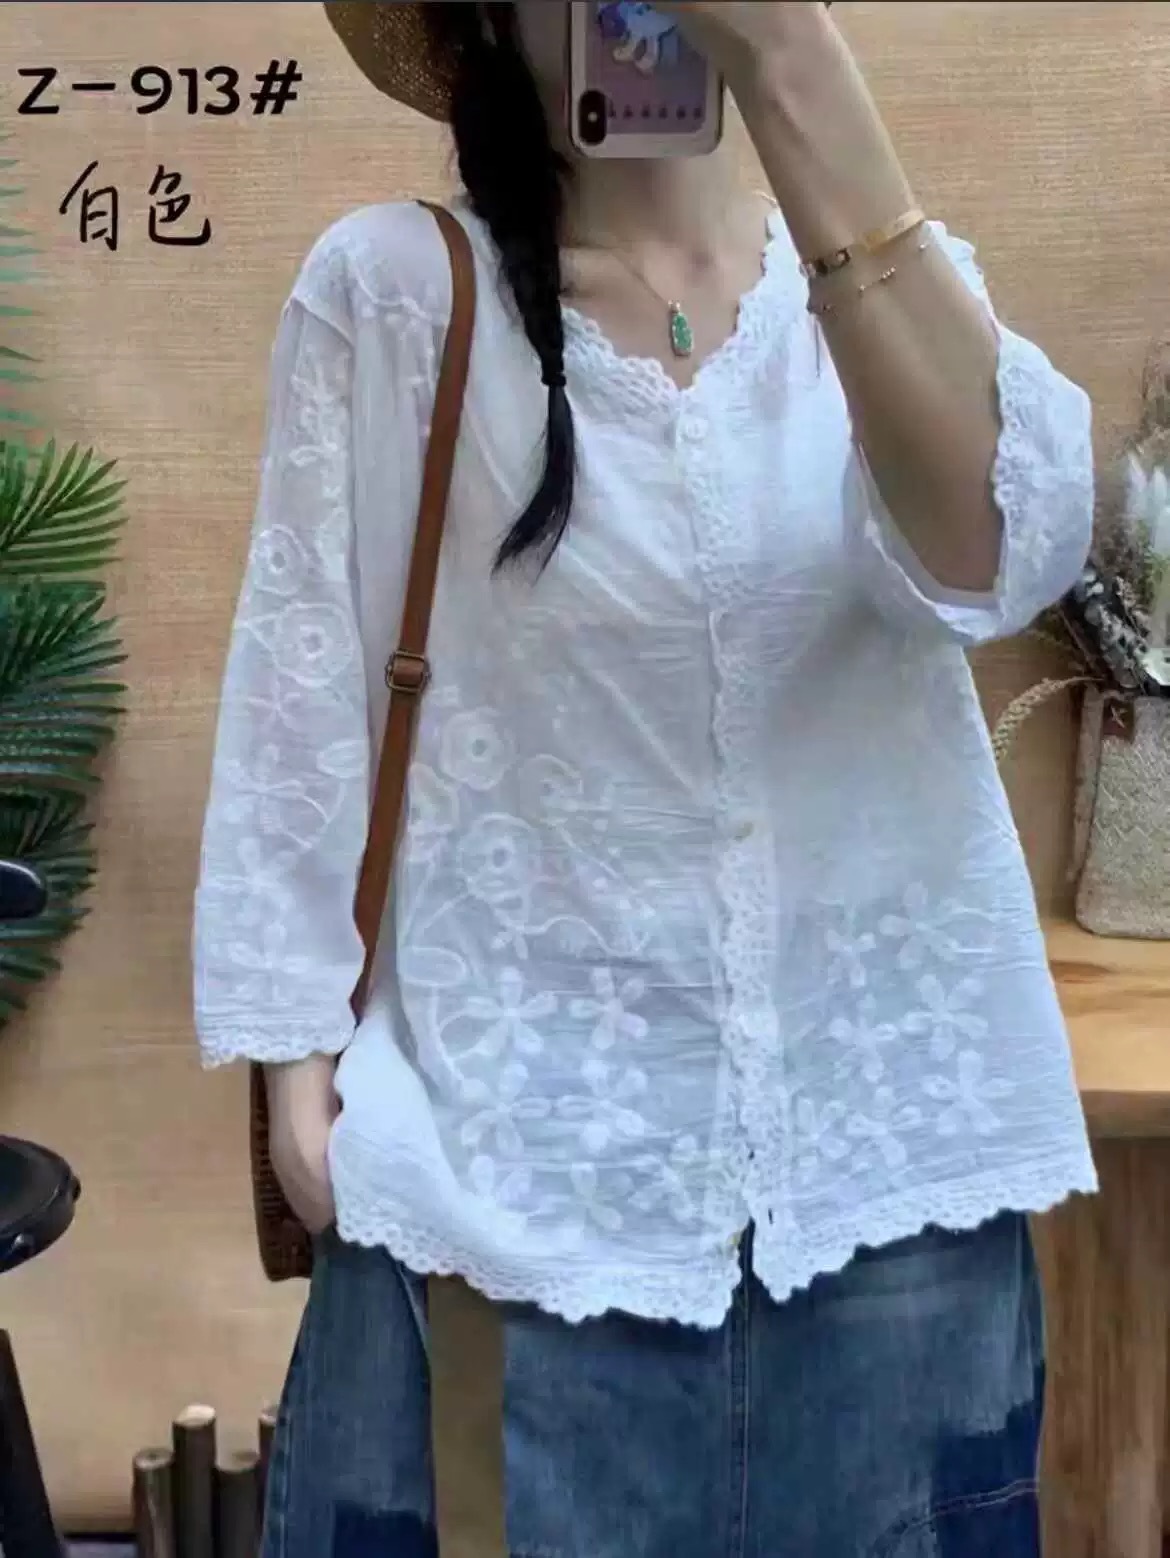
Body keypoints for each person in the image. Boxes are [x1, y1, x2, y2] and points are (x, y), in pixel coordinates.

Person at [192, 4, 1097, 1554]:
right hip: (508, 1184)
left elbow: (995, 553)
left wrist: (791, 60)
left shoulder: (883, 296)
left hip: (888, 1176)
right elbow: (303, 672)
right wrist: (291, 1058)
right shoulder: (396, 290)